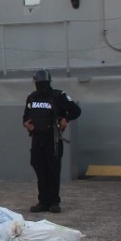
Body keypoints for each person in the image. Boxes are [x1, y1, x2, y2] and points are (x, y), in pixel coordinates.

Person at [22, 68, 81, 212]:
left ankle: (54, 202)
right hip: (37, 138)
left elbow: (76, 110)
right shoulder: (32, 97)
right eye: (38, 83)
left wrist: (66, 118)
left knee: (53, 171)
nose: (40, 85)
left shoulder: (58, 96)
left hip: (52, 139)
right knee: (40, 170)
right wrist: (27, 124)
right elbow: (26, 116)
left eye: (42, 83)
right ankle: (43, 202)